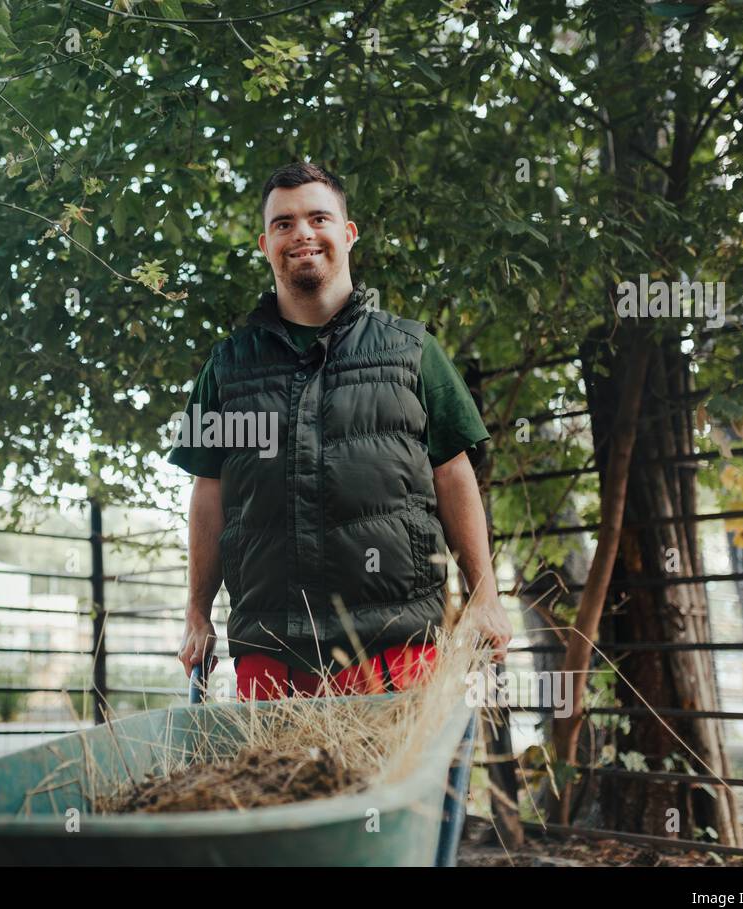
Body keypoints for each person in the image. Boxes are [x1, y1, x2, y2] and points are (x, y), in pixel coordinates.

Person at [169, 161, 512, 701]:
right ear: (266, 244)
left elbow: (453, 475)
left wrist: (484, 596)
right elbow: (209, 494)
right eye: (283, 224)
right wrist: (196, 613)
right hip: (271, 655)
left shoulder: (412, 351)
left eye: (318, 218)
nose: (302, 233)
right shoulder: (229, 366)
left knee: (406, 789)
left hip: (398, 649)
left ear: (347, 234)